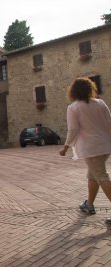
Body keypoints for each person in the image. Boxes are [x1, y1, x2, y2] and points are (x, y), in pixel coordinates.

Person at [59, 77, 111, 223]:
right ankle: (89, 204)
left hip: (91, 148)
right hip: (105, 145)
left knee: (101, 175)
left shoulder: (73, 107)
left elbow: (73, 130)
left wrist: (65, 148)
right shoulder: (100, 103)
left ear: (73, 91)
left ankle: (90, 204)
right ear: (90, 89)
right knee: (93, 175)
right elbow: (110, 123)